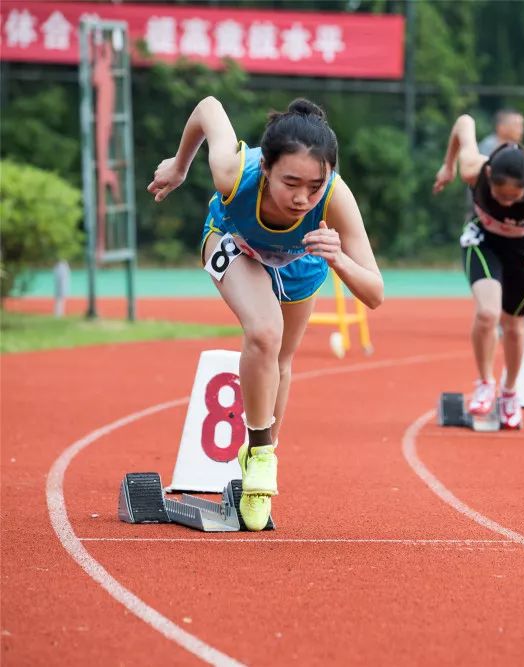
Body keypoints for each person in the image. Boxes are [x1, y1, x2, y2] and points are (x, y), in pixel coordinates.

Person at [147, 97, 384, 529]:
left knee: (281, 360)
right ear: (267, 168)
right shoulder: (234, 172)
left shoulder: (335, 198)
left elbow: (375, 292)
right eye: (291, 182)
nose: (302, 198)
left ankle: (261, 453)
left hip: (301, 261)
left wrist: (340, 261)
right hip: (234, 240)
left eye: (315, 185)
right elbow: (209, 107)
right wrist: (181, 166)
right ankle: (261, 454)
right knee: (263, 331)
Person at [433, 115, 524, 429]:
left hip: (523, 250)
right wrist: (448, 166)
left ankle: (509, 392)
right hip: (483, 241)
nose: (506, 200)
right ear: (488, 175)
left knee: (515, 326)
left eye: (513, 197)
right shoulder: (474, 170)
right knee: (488, 314)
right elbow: (464, 123)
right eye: (499, 194)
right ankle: (484, 382)